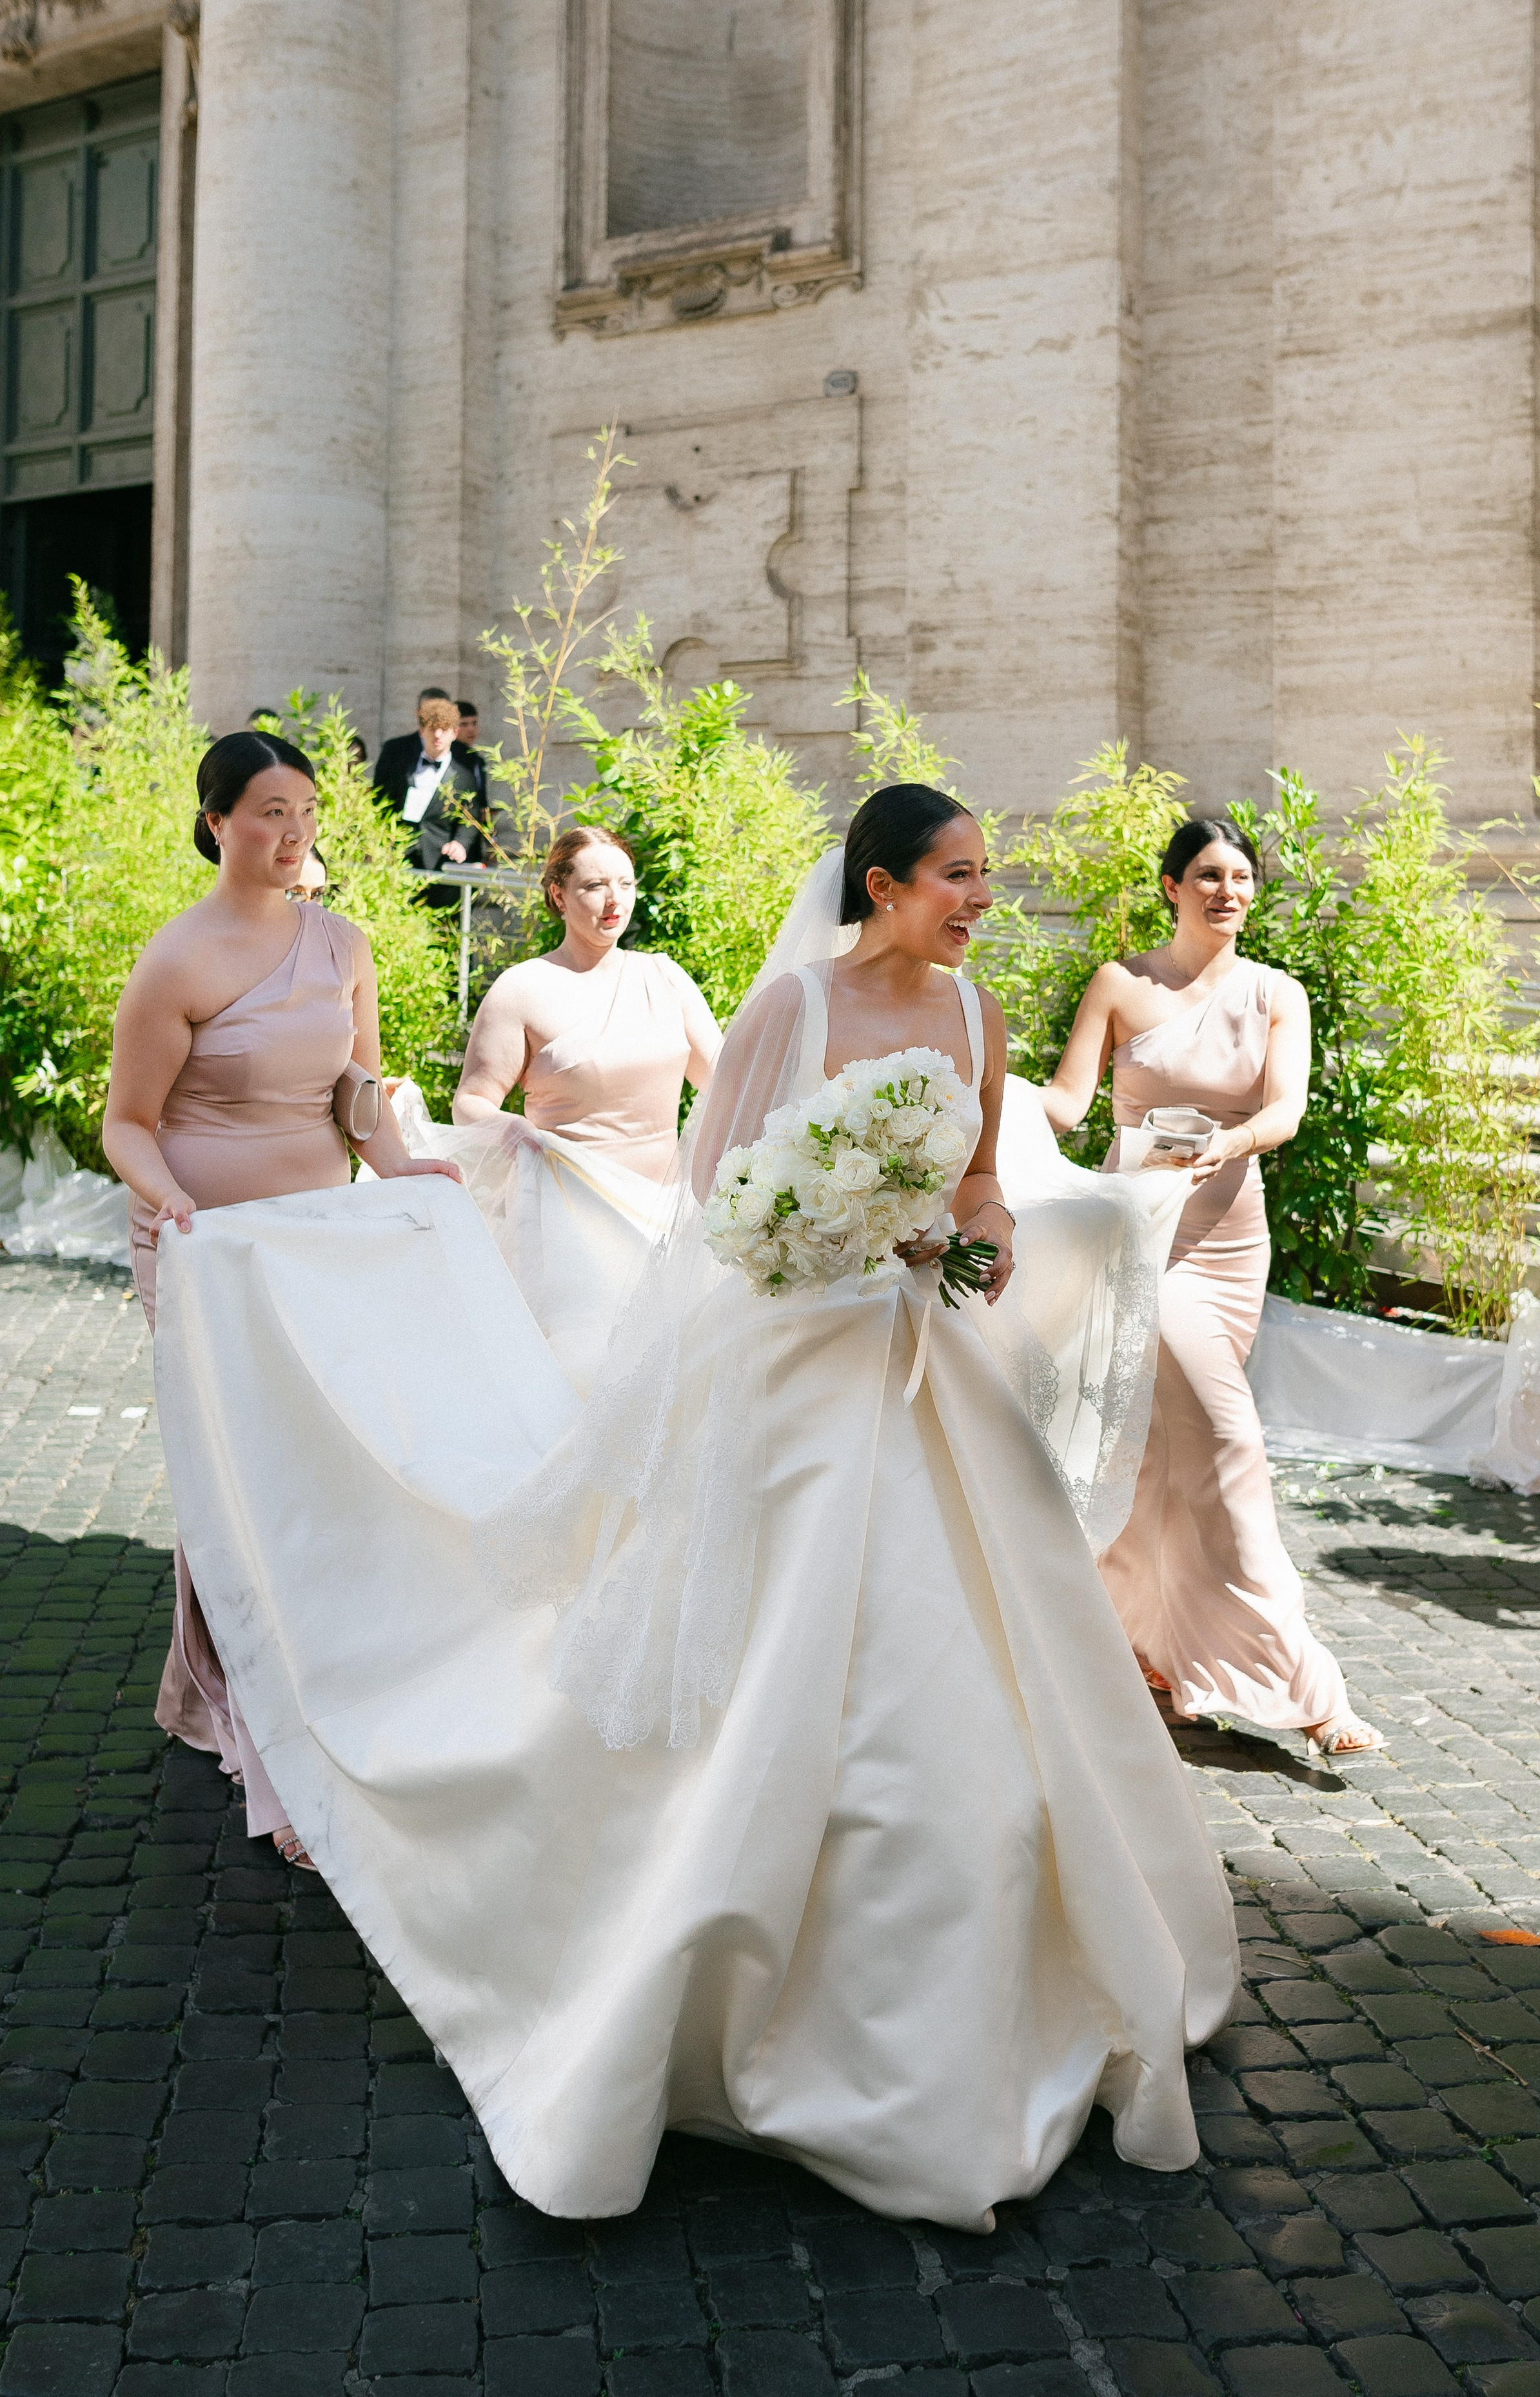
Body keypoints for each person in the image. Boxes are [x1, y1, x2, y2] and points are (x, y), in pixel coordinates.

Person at [150, 782, 1238, 2227]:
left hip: (923, 1368)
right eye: (958, 876)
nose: (983, 898)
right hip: (793, 1374)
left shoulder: (977, 1020)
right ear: (881, 885)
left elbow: (980, 1180)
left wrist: (968, 1242)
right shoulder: (794, 1007)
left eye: (986, 872)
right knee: (772, 1655)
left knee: (982, 1660)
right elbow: (716, 1199)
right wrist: (837, 1230)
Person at [101, 731, 462, 1869]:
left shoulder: (342, 941)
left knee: (305, 1472)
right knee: (243, 1478)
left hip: (315, 1240)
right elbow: (127, 1123)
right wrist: (167, 1200)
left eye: (304, 810)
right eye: (268, 811)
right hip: (203, 1247)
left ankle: (207, 1685)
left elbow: (356, 1086)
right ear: (216, 822)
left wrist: (402, 1168)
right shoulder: (178, 960)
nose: (293, 831)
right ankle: (276, 1744)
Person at [1040, 814, 1384, 1758]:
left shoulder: (1277, 993)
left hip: (1234, 1240)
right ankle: (1307, 1688)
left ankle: (1143, 1657)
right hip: (1140, 1236)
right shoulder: (1121, 984)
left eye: (1239, 877)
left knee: (1159, 1457)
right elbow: (1067, 1104)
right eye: (1205, 875)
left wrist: (1225, 1143)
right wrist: (971, 1088)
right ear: (1171, 886)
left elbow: (1286, 1109)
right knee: (1230, 1443)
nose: (1225, 891)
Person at [398, 826, 721, 1388]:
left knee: (674, 1377)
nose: (615, 900)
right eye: (595, 886)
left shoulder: (665, 977)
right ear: (559, 895)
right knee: (585, 1376)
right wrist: (510, 1128)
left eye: (625, 883)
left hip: (666, 1214)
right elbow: (471, 1101)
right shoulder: (522, 989)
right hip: (572, 1225)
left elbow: (725, 1080)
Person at [373, 692, 487, 907]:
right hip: (400, 860)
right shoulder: (402, 768)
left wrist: (460, 844)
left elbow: (470, 818)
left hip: (440, 865)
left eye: (444, 729)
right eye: (432, 729)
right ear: (421, 731)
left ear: (454, 733)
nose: (438, 735)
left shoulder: (464, 776)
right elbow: (382, 804)